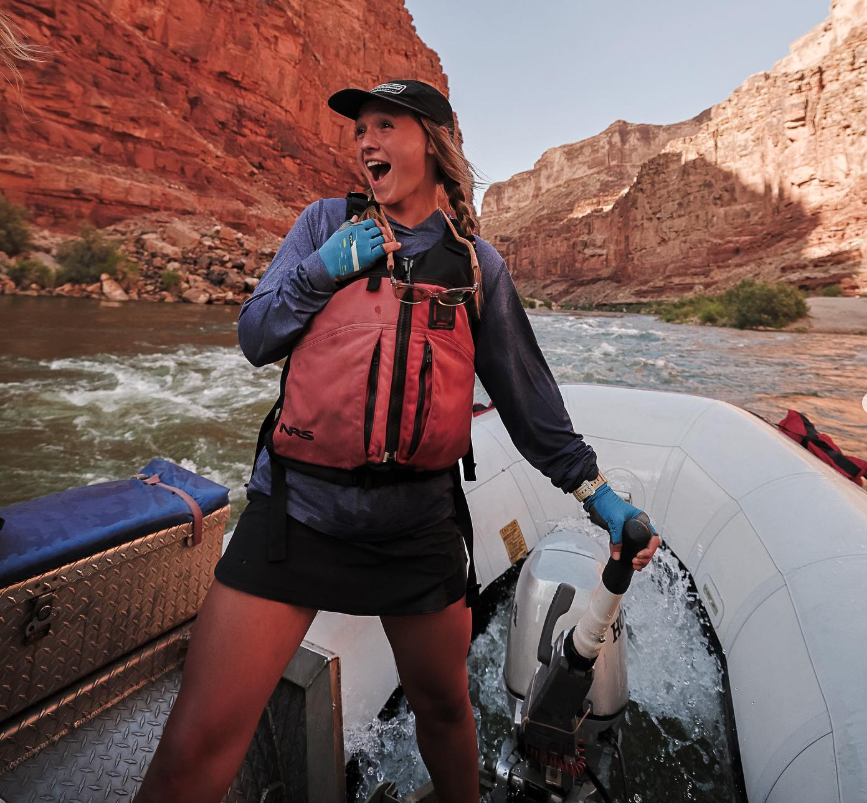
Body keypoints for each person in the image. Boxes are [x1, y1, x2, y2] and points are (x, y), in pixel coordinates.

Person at [134, 79, 660, 803]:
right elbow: (256, 336)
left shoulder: (479, 268)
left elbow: (529, 402)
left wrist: (598, 496)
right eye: (360, 131)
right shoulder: (323, 226)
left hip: (415, 532)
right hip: (295, 517)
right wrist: (322, 273)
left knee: (444, 712)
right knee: (193, 746)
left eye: (385, 125)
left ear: (434, 145)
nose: (365, 142)